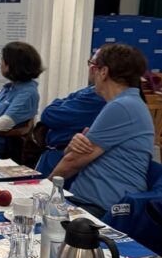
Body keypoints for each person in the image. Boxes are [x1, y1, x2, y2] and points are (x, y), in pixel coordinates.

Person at [50, 43, 154, 218]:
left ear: (103, 72)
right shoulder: (126, 103)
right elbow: (76, 153)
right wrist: (71, 147)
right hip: (92, 202)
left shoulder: (122, 106)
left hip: (100, 208)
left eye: (93, 67)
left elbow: (73, 161)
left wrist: (44, 190)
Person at [34, 77, 106, 176]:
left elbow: (49, 115)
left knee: (48, 189)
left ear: (104, 71)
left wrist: (59, 103)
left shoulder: (97, 96)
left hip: (61, 157)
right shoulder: (88, 90)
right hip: (53, 154)